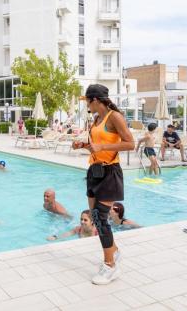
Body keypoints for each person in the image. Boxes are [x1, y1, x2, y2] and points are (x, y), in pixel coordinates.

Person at [72, 84, 134, 285]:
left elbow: (130, 143)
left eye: (87, 101)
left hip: (109, 172)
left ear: (95, 100)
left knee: (100, 217)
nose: (87, 105)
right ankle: (114, 251)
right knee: (96, 218)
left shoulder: (114, 117)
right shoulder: (96, 119)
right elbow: (96, 148)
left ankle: (110, 266)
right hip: (94, 171)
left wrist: (102, 145)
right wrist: (84, 145)